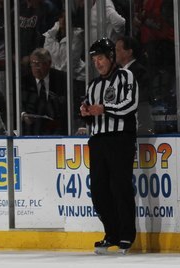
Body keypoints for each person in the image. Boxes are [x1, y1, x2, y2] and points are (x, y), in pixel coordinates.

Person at [80, 38, 139, 254]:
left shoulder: (126, 76)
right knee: (98, 190)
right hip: (98, 141)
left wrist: (104, 109)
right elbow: (91, 111)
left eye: (101, 58)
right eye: (95, 59)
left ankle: (126, 236)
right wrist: (85, 112)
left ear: (111, 57)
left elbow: (130, 104)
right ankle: (111, 233)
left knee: (120, 187)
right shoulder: (93, 85)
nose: (97, 63)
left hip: (120, 139)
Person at [21, 47, 68, 135]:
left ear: (48, 64)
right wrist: (23, 114)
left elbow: (68, 104)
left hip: (57, 128)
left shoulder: (62, 78)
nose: (36, 67)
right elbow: (16, 104)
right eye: (33, 63)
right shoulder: (24, 81)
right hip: (31, 129)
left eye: (39, 64)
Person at [115, 35, 153, 134]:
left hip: (138, 126)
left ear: (129, 52)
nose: (115, 53)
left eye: (118, 50)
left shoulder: (139, 71)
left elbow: (140, 99)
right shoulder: (118, 73)